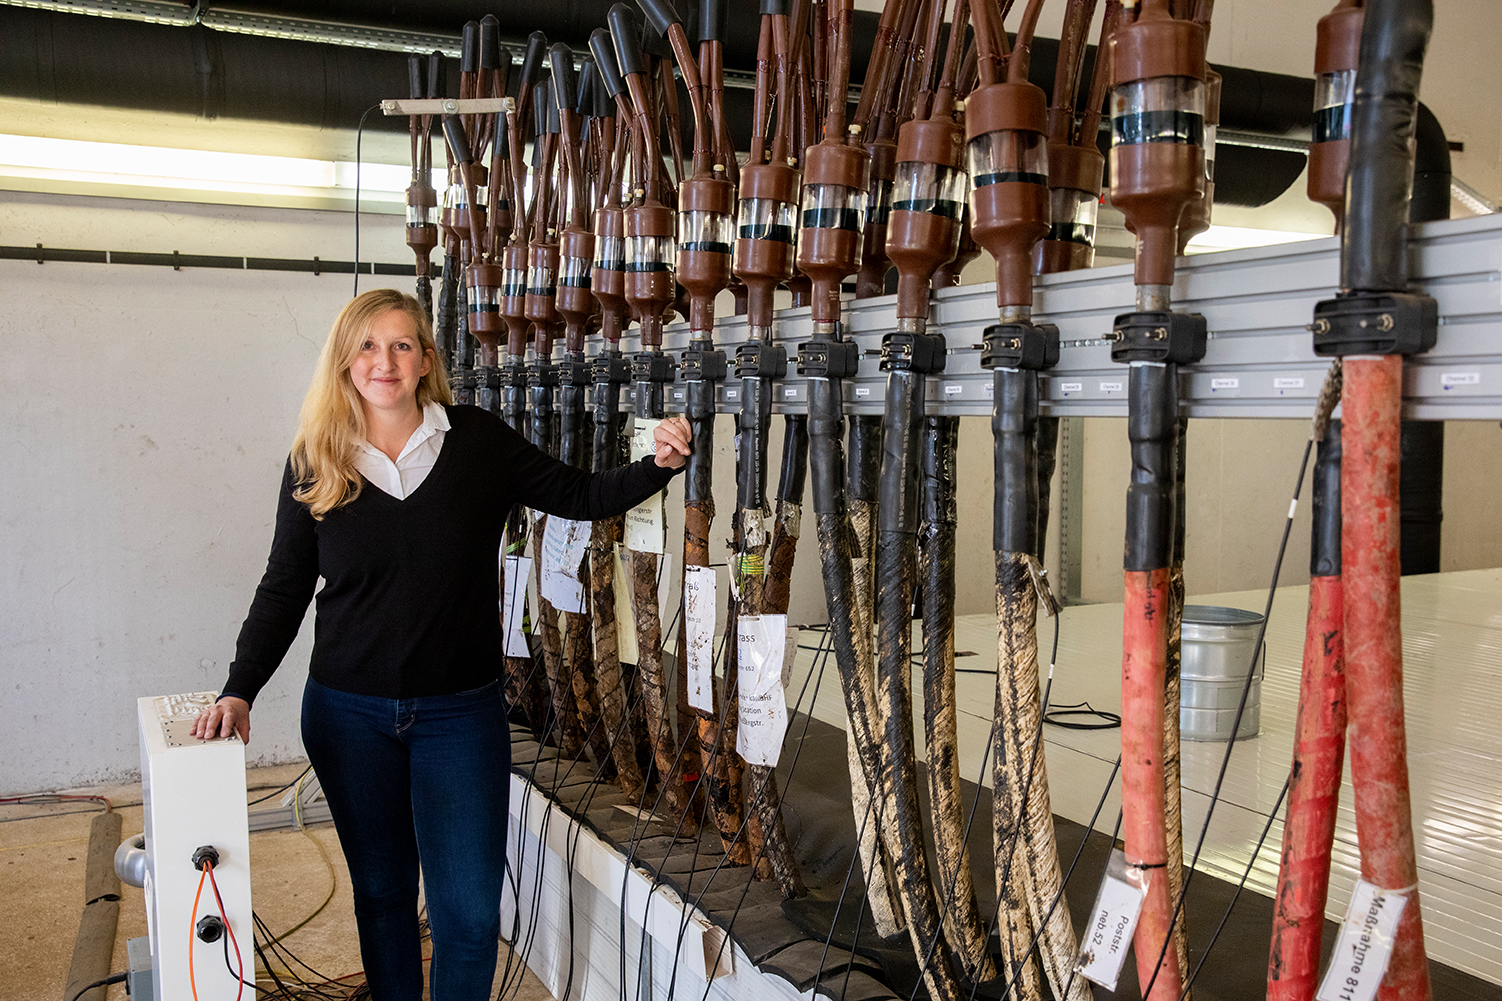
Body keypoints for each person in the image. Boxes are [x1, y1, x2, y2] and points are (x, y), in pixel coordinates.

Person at [192, 288, 690, 1001]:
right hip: (348, 714)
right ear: (344, 360)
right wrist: (239, 687)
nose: (383, 361)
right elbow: (284, 587)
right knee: (385, 896)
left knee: (467, 913)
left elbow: (578, 493)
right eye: (366, 345)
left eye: (400, 345)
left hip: (459, 713)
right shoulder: (316, 459)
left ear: (426, 359)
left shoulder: (477, 442)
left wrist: (658, 464)